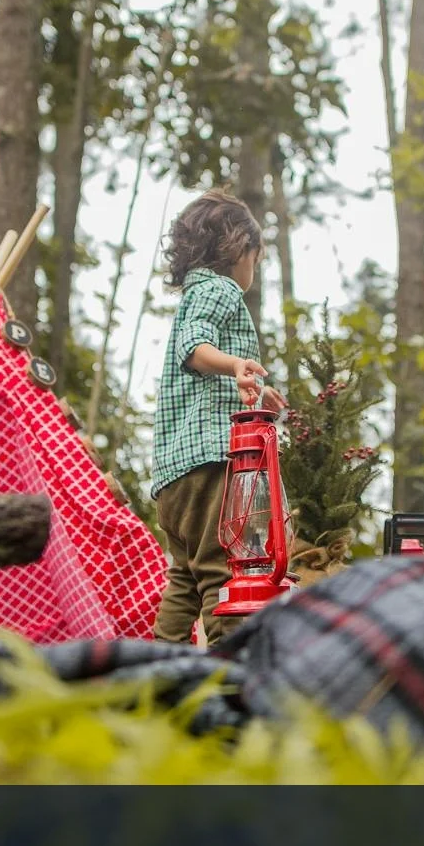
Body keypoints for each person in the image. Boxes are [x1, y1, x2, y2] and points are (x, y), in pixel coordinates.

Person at [151, 189, 287, 645]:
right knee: (221, 572)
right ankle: (227, 675)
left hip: (174, 476)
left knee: (183, 581)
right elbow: (196, 347)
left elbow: (198, 366)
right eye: (256, 258)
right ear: (238, 250)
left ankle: (156, 673)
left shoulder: (193, 294)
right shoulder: (221, 289)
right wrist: (234, 365)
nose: (253, 270)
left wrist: (247, 387)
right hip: (210, 463)